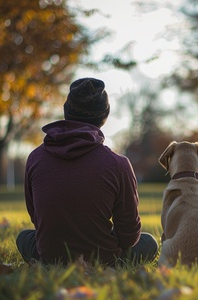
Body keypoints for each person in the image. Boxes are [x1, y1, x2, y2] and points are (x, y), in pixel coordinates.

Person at [16, 77, 158, 267]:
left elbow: (36, 218)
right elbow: (129, 235)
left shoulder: (35, 158)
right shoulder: (119, 164)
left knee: (24, 238)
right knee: (148, 243)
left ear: (66, 112)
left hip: (50, 257)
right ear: (105, 116)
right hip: (104, 259)